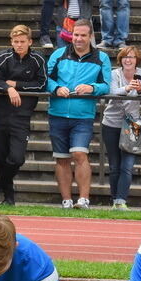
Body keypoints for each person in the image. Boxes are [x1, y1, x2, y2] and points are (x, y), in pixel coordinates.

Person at [46, 19, 112, 210]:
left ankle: (83, 200)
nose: (79, 39)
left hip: (83, 115)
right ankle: (66, 200)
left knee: (79, 154)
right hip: (57, 113)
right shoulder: (58, 54)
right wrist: (56, 88)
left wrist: (92, 87)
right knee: (61, 158)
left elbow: (106, 85)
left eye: (83, 35)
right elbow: (46, 79)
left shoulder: (102, 58)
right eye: (76, 35)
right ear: (71, 35)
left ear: (90, 36)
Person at [0, 25, 46, 205]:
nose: (19, 45)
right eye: (16, 42)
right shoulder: (2, 57)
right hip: (2, 114)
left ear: (30, 42)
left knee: (16, 158)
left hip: (22, 116)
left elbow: (42, 84)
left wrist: (17, 85)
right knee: (0, 157)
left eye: (23, 42)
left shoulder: (38, 59)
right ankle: (9, 197)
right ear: (11, 42)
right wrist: (8, 89)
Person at [102, 46, 141, 210]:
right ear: (120, 59)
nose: (128, 60)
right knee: (114, 165)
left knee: (128, 165)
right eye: (125, 57)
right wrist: (127, 88)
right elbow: (112, 91)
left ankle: (121, 200)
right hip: (112, 123)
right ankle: (114, 199)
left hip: (133, 125)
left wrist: (139, 89)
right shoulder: (114, 74)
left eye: (131, 57)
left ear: (137, 59)